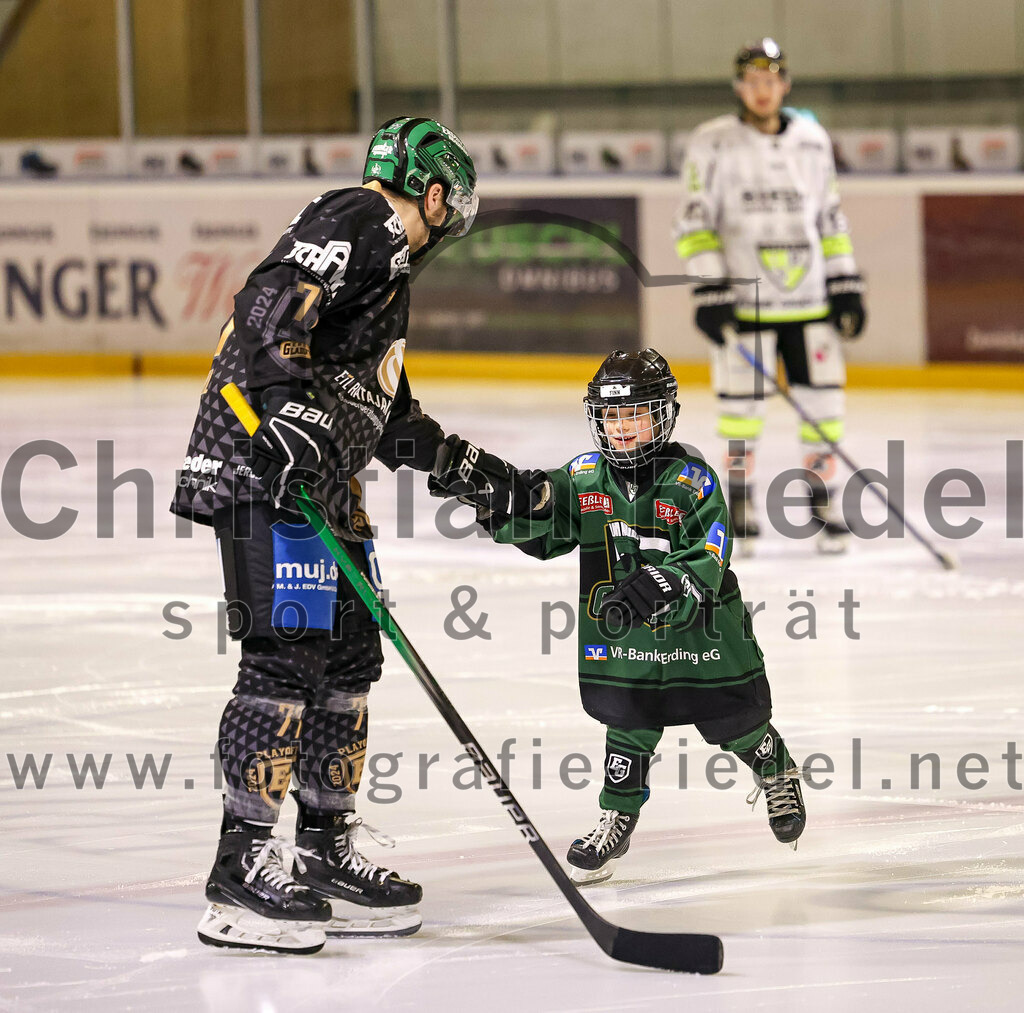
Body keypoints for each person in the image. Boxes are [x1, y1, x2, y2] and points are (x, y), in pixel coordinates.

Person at [171, 117, 483, 953]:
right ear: (437, 193)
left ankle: (321, 851)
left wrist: (465, 469)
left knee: (350, 656)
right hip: (264, 471)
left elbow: (387, 413)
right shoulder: (365, 217)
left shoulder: (387, 274)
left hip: (324, 490)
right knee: (287, 656)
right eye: (455, 206)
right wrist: (285, 410)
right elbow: (268, 300)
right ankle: (239, 870)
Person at [427, 348, 806, 885]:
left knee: (734, 721)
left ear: (663, 414)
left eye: (634, 415)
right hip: (626, 636)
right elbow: (545, 522)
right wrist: (492, 502)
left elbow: (712, 548)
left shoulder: (691, 478)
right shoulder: (584, 477)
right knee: (628, 721)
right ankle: (618, 816)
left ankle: (776, 772)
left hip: (702, 634)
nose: (622, 428)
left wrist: (669, 579)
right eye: (611, 417)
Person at [672, 38, 867, 555]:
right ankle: (739, 501)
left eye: (771, 80)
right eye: (752, 81)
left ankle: (822, 498)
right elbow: (693, 220)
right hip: (745, 302)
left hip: (811, 301)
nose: (762, 91)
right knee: (741, 411)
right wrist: (710, 287)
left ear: (785, 84)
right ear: (739, 87)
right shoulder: (711, 141)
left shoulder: (812, 140)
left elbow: (830, 216)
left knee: (825, 406)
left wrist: (846, 282)